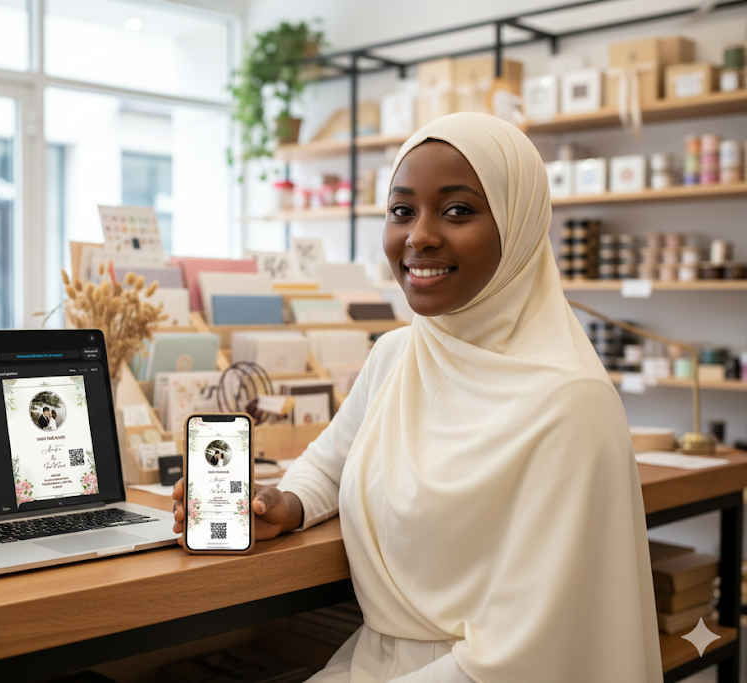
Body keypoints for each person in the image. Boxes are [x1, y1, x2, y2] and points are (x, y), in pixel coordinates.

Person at [173, 113, 662, 682]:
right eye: (402, 210)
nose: (419, 236)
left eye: (457, 210)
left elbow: (526, 652)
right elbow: (329, 464)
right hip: (372, 661)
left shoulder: (572, 406)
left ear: (520, 226)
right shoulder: (397, 355)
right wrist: (284, 505)